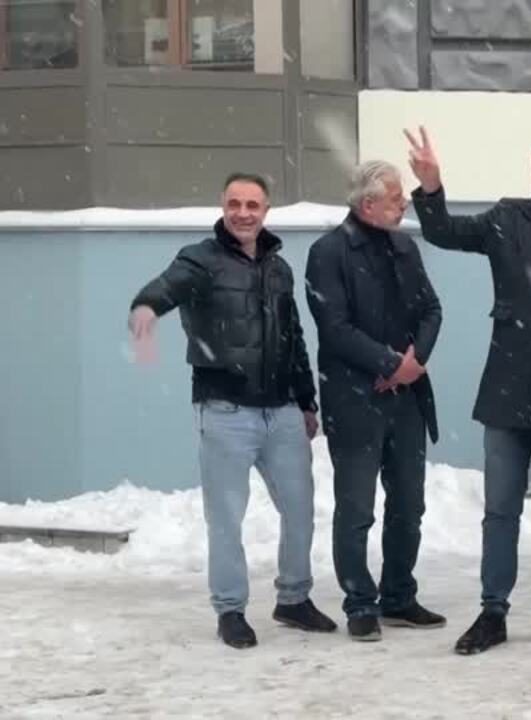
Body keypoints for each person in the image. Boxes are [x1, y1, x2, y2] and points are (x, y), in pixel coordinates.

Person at [406, 130, 531, 654]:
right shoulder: (505, 219)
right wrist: (431, 188)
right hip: (509, 388)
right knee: (500, 510)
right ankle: (492, 612)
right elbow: (445, 232)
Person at [128, 172, 335, 649]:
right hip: (226, 411)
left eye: (253, 205)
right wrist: (146, 308)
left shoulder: (278, 268)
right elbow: (166, 286)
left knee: (300, 509)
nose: (243, 213)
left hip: (281, 410)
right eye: (235, 204)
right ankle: (231, 609)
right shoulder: (200, 260)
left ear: (266, 211)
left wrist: (306, 399)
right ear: (223, 206)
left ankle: (293, 598)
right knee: (226, 517)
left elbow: (294, 336)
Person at [305, 161, 446, 642]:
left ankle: (399, 596)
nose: (404, 203)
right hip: (354, 399)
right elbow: (335, 328)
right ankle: (359, 602)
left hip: (407, 399)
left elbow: (431, 308)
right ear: (368, 205)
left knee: (410, 503)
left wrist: (414, 360)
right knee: (357, 508)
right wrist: (389, 364)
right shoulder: (328, 252)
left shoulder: (406, 247)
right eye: (396, 198)